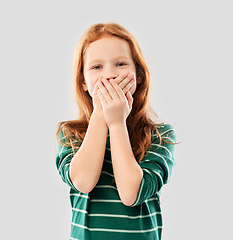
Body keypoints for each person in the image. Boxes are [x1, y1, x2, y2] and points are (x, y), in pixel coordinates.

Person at [55, 22, 178, 240]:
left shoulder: (160, 136)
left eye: (120, 64)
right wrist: (101, 115)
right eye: (97, 67)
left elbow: (132, 193)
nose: (110, 75)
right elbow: (83, 182)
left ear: (138, 75)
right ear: (83, 81)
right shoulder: (70, 134)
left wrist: (117, 123)